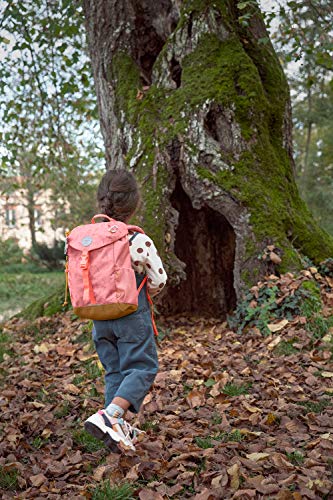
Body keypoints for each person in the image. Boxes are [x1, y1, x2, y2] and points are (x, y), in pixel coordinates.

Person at [84, 169, 167, 452]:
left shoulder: (87, 240)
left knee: (115, 372)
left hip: (99, 317)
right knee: (143, 366)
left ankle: (115, 431)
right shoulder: (137, 240)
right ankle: (111, 415)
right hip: (130, 314)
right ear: (134, 204)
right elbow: (159, 279)